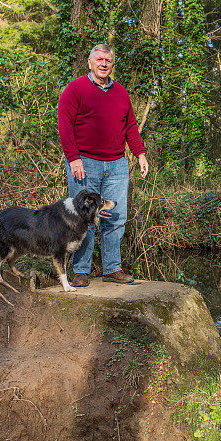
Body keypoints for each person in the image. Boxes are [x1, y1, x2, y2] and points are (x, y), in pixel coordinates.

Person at [57, 44, 149, 286]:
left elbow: (130, 125)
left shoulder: (121, 93)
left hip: (117, 164)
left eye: (108, 60)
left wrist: (139, 153)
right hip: (84, 162)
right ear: (90, 62)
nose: (104, 64)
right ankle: (81, 271)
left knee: (116, 217)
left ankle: (112, 269)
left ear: (112, 64)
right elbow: (65, 125)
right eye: (99, 59)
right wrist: (73, 157)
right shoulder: (75, 89)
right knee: (82, 217)